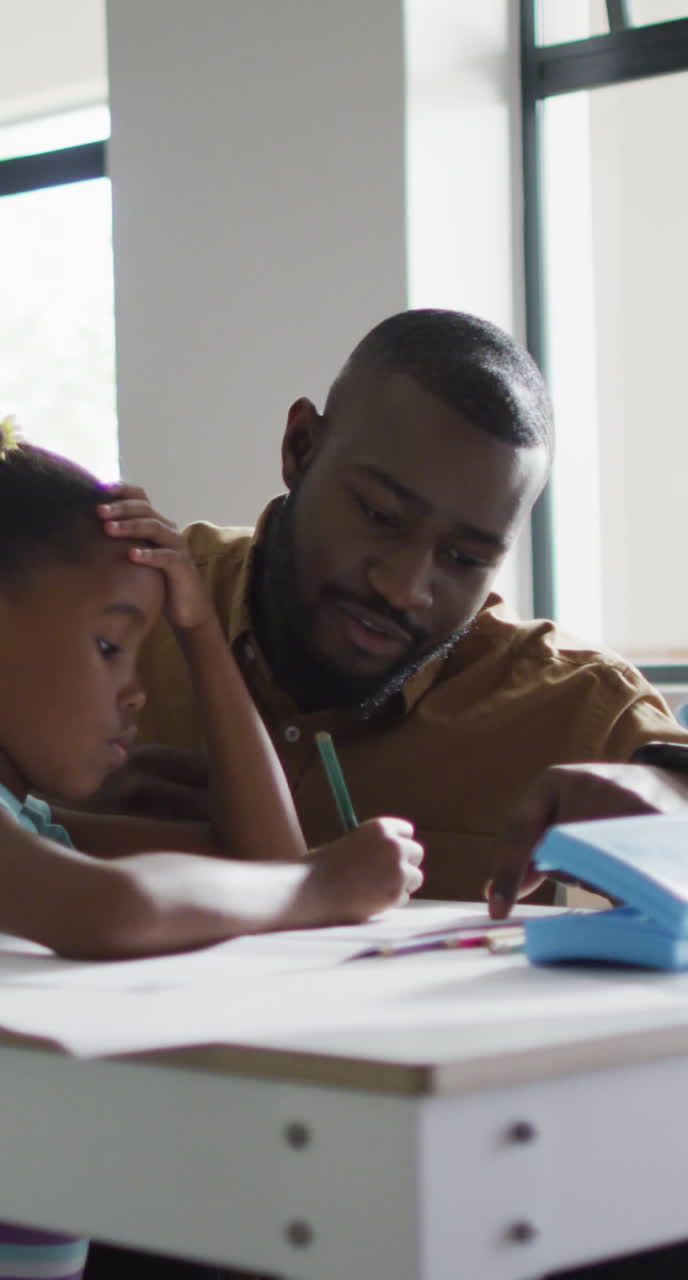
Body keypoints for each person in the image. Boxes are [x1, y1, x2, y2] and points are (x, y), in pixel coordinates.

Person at [94, 308, 688, 911]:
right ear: (300, 447)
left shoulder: (568, 706)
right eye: (380, 517)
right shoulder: (120, 608)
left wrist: (673, 798)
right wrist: (76, 824)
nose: (403, 587)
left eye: (465, 557)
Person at [0, 423, 423, 1279]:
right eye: (112, 645)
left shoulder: (28, 827)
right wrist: (320, 889)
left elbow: (263, 865)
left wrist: (200, 630)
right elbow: (119, 909)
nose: (136, 693)